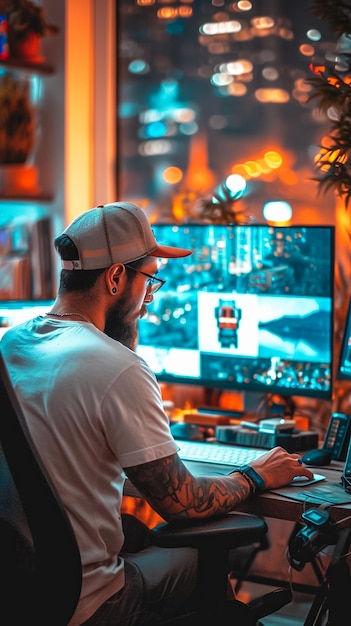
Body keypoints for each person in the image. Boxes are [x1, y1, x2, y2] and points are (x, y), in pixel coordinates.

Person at [0, 202, 313, 626]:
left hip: (20, 589)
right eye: (148, 279)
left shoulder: (12, 343)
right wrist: (255, 475)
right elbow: (183, 504)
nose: (150, 297)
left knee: (137, 532)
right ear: (115, 277)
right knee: (194, 558)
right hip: (89, 604)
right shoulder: (116, 367)